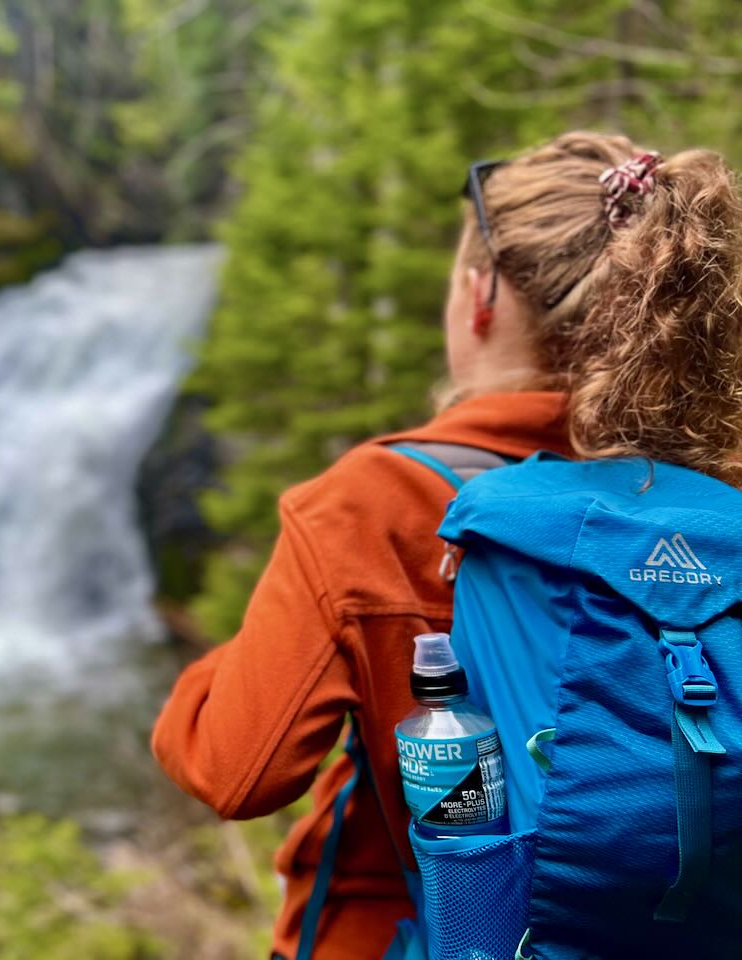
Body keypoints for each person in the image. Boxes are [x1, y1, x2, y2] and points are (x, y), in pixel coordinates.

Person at [151, 129, 742, 959]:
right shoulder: (715, 503)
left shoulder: (375, 502)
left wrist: (222, 667)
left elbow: (236, 769)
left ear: (480, 298)